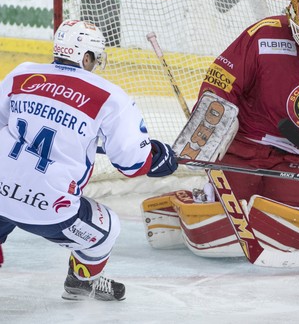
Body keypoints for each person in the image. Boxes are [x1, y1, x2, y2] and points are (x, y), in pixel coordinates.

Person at [142, 0, 299, 256]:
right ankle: (205, 196)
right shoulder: (263, 35)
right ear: (291, 20)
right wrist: (210, 129)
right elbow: (222, 82)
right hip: (245, 143)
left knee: (289, 207)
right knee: (232, 199)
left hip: (298, 156)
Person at [0, 19, 178, 301]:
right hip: (49, 209)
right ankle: (81, 282)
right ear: (85, 57)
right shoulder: (110, 96)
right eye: (94, 58)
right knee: (108, 229)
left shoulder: (22, 74)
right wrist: (161, 158)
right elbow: (132, 162)